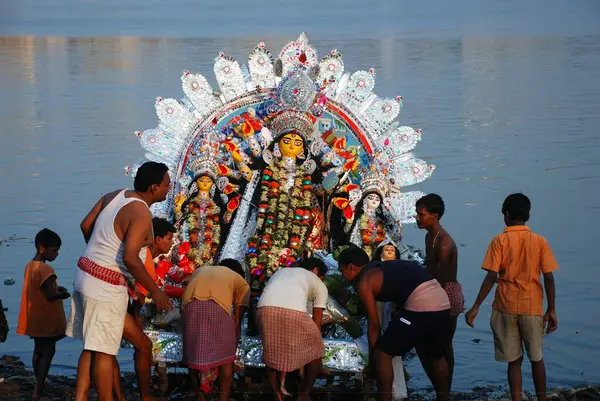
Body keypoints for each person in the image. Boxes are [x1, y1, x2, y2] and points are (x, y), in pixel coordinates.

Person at [66, 161, 173, 401]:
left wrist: (98, 253)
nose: (169, 189)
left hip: (84, 274)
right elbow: (130, 258)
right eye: (167, 185)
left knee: (92, 344)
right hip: (105, 286)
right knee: (104, 352)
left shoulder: (114, 195)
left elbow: (85, 225)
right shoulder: (141, 212)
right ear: (154, 187)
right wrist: (156, 291)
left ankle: (80, 397)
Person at [465, 193, 558, 401]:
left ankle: (517, 398)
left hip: (505, 305)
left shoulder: (499, 241)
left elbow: (491, 276)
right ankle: (542, 398)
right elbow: (549, 278)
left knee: (514, 361)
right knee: (536, 358)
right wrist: (551, 309)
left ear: (506, 215)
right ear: (528, 215)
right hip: (532, 306)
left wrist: (476, 306)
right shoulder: (539, 241)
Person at [337, 247, 451, 401]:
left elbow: (374, 325)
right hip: (443, 303)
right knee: (436, 357)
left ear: (351, 267)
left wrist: (372, 363)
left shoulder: (364, 282)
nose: (343, 276)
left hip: (421, 307)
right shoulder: (384, 267)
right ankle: (444, 398)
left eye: (342, 271)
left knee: (382, 353)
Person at [112, 217, 176, 401]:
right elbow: (138, 299)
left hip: (115, 302)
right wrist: (137, 325)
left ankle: (118, 394)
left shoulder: (145, 255)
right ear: (158, 239)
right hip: (116, 304)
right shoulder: (146, 259)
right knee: (144, 346)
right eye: (169, 238)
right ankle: (145, 396)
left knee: (107, 351)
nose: (171, 243)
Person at [256, 257, 328, 401]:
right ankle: (304, 394)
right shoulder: (319, 284)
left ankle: (277, 394)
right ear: (315, 271)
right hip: (293, 313)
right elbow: (317, 320)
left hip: (263, 309)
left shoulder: (281, 271)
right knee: (317, 350)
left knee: (271, 352)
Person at [182, 258, 249, 401]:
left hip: (189, 306)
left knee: (194, 353)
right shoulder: (241, 281)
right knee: (226, 359)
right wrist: (232, 347)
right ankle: (223, 399)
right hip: (217, 308)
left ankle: (200, 395)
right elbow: (237, 321)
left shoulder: (201, 270)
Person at [415, 193, 464, 390]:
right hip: (435, 291)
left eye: (421, 214)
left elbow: (440, 278)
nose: (417, 218)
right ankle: (442, 387)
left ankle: (444, 389)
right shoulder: (430, 237)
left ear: (434, 216)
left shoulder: (444, 243)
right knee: (439, 345)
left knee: (441, 346)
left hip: (446, 294)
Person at [16, 228, 70, 400]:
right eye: (54, 250)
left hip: (34, 318)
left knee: (38, 350)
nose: (57, 254)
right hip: (47, 320)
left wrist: (56, 288)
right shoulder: (46, 270)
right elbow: (50, 295)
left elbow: (38, 289)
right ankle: (38, 390)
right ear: (42, 248)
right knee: (48, 351)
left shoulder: (30, 266)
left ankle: (39, 386)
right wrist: (62, 294)